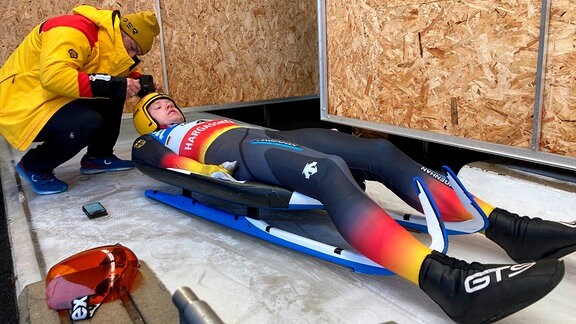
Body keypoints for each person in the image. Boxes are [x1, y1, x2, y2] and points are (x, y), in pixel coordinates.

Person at [131, 93, 572, 323]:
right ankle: (448, 281)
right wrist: (220, 179)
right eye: (159, 108)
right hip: (241, 153)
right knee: (328, 170)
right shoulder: (154, 141)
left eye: (170, 103)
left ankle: (507, 228)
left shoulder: (203, 119)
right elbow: (175, 169)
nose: (169, 107)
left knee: (378, 151)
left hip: (264, 134)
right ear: (148, 123)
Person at [0, 5, 162, 195]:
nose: (132, 56)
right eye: (132, 48)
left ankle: (98, 156)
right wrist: (117, 84)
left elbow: (104, 71)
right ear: (121, 32)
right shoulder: (73, 29)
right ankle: (35, 166)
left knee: (115, 89)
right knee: (88, 122)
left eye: (137, 54)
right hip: (22, 102)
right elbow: (54, 77)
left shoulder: (107, 42)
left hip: (53, 98)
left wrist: (137, 82)